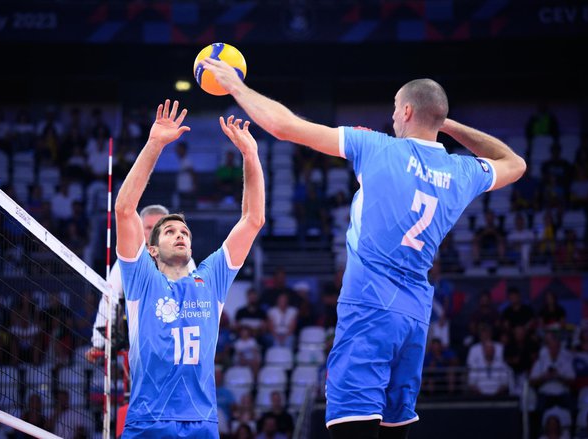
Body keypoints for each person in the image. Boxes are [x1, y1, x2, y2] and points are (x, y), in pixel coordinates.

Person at [201, 60, 526, 439]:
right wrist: (445, 124)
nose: (391, 117)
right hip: (415, 315)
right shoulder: (462, 171)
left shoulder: (377, 147)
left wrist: (236, 87)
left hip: (370, 305)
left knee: (352, 424)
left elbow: (283, 127)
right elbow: (515, 164)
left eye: (394, 108)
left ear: (406, 111)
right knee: (393, 426)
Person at [114, 100, 265, 438]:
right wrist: (154, 144)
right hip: (147, 421)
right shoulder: (141, 279)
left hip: (201, 423)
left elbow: (253, 220)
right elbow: (125, 210)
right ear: (152, 249)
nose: (180, 235)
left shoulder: (210, 278)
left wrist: (250, 156)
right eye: (169, 231)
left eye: (184, 232)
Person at [85, 203, 197, 363]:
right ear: (140, 230)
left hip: (175, 341)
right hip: (139, 341)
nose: (152, 232)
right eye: (148, 227)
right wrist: (99, 343)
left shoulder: (185, 260)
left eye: (158, 227)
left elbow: (193, 301)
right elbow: (109, 299)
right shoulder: (129, 260)